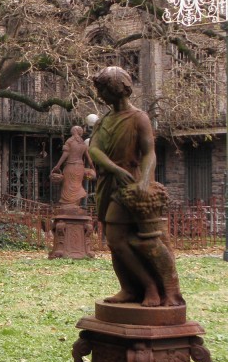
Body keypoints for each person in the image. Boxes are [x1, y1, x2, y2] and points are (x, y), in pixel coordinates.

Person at [88, 67, 183, 307]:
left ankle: (150, 286)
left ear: (116, 89)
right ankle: (128, 288)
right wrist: (113, 169)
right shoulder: (103, 121)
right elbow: (94, 150)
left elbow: (149, 152)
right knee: (115, 240)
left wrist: (144, 180)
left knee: (117, 239)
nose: (100, 95)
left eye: (102, 90)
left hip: (129, 186)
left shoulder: (139, 118)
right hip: (108, 182)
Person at [51, 126, 95, 209]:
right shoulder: (83, 143)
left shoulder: (70, 141)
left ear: (74, 131)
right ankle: (75, 206)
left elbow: (65, 154)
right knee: (77, 185)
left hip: (70, 166)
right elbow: (89, 158)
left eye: (72, 130)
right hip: (80, 167)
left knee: (67, 185)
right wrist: (93, 168)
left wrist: (58, 166)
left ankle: (67, 207)